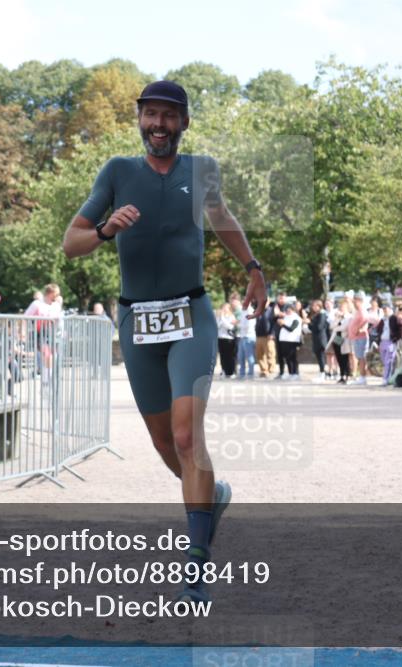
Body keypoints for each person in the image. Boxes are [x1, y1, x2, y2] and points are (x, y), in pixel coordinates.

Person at [62, 80, 265, 603]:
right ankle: (212, 493)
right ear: (139, 120)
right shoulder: (117, 171)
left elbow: (222, 218)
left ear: (184, 123)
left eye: (169, 116)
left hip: (191, 316)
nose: (159, 124)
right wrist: (106, 229)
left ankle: (195, 562)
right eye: (151, 114)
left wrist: (254, 269)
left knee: (185, 435)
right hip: (138, 322)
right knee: (163, 443)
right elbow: (71, 244)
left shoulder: (201, 170)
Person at [347, 292, 371, 385]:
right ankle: (361, 376)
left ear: (359, 301)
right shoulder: (357, 311)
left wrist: (358, 329)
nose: (353, 303)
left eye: (355, 301)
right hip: (356, 337)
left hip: (361, 337)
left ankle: (362, 377)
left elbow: (365, 320)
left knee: (361, 357)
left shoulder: (362, 311)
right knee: (359, 357)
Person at [278, 301, 302, 380]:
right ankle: (290, 372)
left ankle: (296, 373)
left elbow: (291, 329)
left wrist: (283, 324)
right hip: (284, 340)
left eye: (289, 309)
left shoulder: (296, 318)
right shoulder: (286, 317)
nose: (288, 311)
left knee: (293, 358)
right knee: (287, 358)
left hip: (292, 341)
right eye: (287, 309)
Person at [306, 300, 329, 381]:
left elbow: (319, 327)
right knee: (318, 356)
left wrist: (310, 323)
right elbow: (311, 328)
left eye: (316, 306)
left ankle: (323, 373)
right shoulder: (314, 315)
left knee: (321, 356)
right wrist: (309, 323)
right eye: (313, 306)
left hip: (321, 339)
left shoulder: (322, 315)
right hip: (315, 338)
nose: (314, 307)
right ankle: (321, 372)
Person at [254, 301, 277, 379]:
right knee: (259, 355)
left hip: (268, 336)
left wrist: (272, 333)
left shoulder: (272, 310)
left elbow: (274, 323)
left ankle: (271, 371)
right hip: (258, 335)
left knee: (270, 354)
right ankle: (264, 371)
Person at [216, 301, 238, 379]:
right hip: (221, 338)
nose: (224, 309)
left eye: (226, 308)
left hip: (229, 339)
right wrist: (221, 318)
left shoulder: (231, 316)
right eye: (223, 308)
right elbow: (217, 326)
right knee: (222, 356)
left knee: (230, 356)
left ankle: (231, 372)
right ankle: (224, 370)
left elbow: (230, 327)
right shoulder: (219, 317)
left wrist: (222, 319)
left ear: (229, 309)